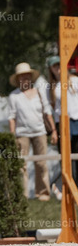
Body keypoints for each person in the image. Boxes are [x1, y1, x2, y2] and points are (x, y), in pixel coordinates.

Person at [8, 62, 57, 201]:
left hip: (40, 132)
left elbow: (47, 112)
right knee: (21, 165)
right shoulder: (14, 96)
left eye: (27, 75)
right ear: (18, 79)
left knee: (41, 163)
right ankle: (22, 194)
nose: (25, 78)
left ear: (31, 77)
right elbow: (12, 117)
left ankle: (43, 193)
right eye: (22, 76)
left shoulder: (40, 93)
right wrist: (12, 135)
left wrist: (54, 130)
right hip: (21, 134)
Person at [46, 55, 78, 188]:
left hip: (77, 121)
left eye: (59, 64)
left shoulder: (75, 80)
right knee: (66, 157)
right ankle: (71, 186)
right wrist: (53, 130)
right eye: (54, 66)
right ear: (51, 69)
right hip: (63, 124)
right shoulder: (51, 87)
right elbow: (51, 109)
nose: (58, 68)